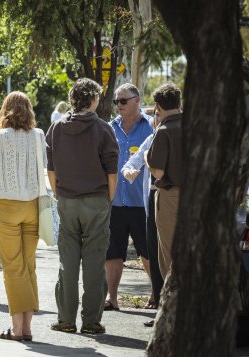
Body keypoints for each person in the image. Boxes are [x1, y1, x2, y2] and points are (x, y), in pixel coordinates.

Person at [46, 78, 119, 334]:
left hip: (67, 200)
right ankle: (91, 322)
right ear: (94, 100)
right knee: (94, 261)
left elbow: (51, 169)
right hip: (96, 200)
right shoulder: (103, 128)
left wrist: (59, 194)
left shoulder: (56, 128)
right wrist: (108, 198)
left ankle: (66, 319)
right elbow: (112, 170)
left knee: (67, 260)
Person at [0, 91, 45, 342]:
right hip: (33, 206)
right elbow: (43, 170)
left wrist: (2, 184)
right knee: (29, 265)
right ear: (29, 110)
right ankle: (27, 327)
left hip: (5, 206)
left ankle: (18, 329)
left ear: (4, 110)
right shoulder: (38, 136)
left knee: (13, 266)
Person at [105, 83, 154, 311]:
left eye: (123, 101)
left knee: (147, 251)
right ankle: (111, 298)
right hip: (114, 202)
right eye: (116, 101)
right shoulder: (109, 128)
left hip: (141, 202)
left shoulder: (152, 127)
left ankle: (155, 294)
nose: (119, 105)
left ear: (137, 100)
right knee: (113, 252)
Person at [122, 112, 164, 325]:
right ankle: (159, 305)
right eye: (155, 115)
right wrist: (129, 170)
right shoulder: (152, 138)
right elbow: (133, 161)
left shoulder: (178, 135)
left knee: (168, 258)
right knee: (154, 255)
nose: (157, 119)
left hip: (170, 201)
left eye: (159, 114)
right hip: (150, 204)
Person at [145, 83, 183, 279]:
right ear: (179, 102)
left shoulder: (164, 130)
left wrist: (145, 157)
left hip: (170, 196)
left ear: (157, 106)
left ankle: (175, 303)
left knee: (168, 254)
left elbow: (158, 173)